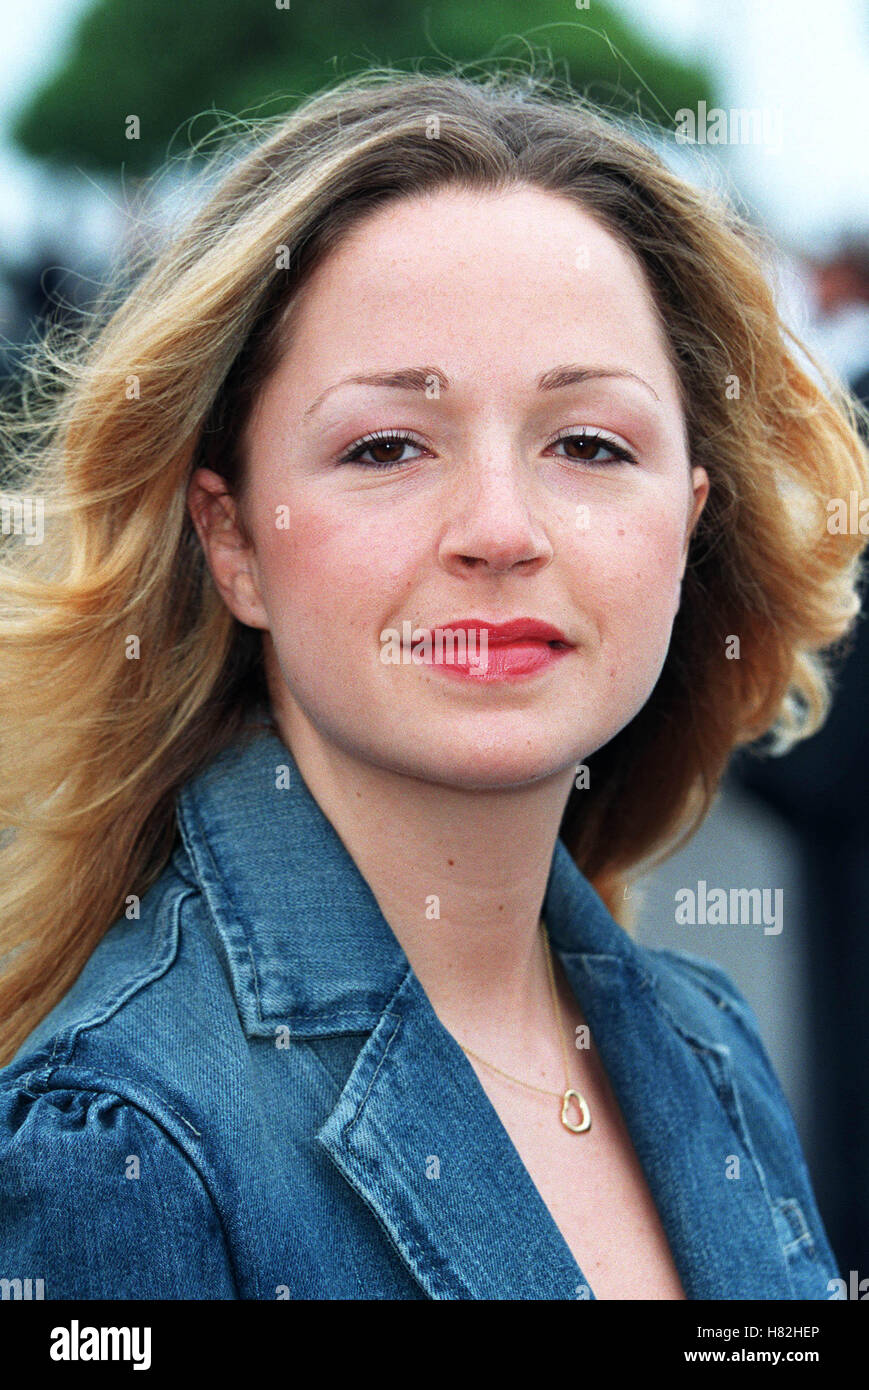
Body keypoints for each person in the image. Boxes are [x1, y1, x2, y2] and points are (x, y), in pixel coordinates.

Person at [0, 66, 866, 1301]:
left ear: (686, 521)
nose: (500, 529)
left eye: (586, 443)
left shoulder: (705, 1039)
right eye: (386, 445)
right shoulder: (119, 1139)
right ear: (231, 535)